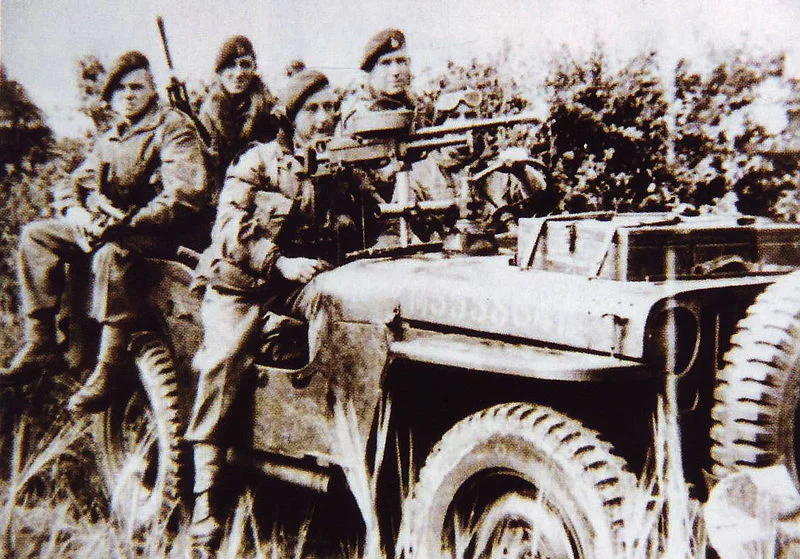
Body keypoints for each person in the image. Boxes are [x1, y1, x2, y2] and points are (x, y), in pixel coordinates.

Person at [185, 69, 357, 557]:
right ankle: (206, 502)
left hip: (302, 284)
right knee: (223, 363)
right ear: (290, 117)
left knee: (342, 310)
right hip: (242, 284)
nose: (324, 120)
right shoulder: (258, 162)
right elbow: (229, 225)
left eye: (330, 109)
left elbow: (379, 212)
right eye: (313, 111)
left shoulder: (340, 166)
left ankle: (335, 438)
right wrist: (278, 260)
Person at [0, 51, 209, 414]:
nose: (128, 95)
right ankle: (42, 342)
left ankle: (108, 369)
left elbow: (185, 194)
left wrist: (130, 221)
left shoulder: (173, 127)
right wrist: (76, 211)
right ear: (110, 97)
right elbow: (74, 182)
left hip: (161, 233)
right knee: (37, 236)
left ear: (151, 90)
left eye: (137, 87)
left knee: (112, 253)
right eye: (120, 90)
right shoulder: (112, 135)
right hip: (112, 226)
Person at [408, 89, 547, 235]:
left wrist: (522, 172)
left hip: (495, 251)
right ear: (440, 125)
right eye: (454, 116)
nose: (463, 124)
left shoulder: (498, 167)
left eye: (470, 116)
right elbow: (397, 230)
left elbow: (541, 203)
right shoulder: (418, 172)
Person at [198, 35, 280, 188]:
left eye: (245, 65)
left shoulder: (268, 108)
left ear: (254, 68)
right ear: (220, 72)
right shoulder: (208, 114)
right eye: (230, 66)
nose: (238, 73)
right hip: (221, 193)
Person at [338, 28, 414, 138]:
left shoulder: (418, 105)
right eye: (386, 63)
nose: (395, 71)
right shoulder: (359, 114)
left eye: (401, 61)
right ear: (370, 71)